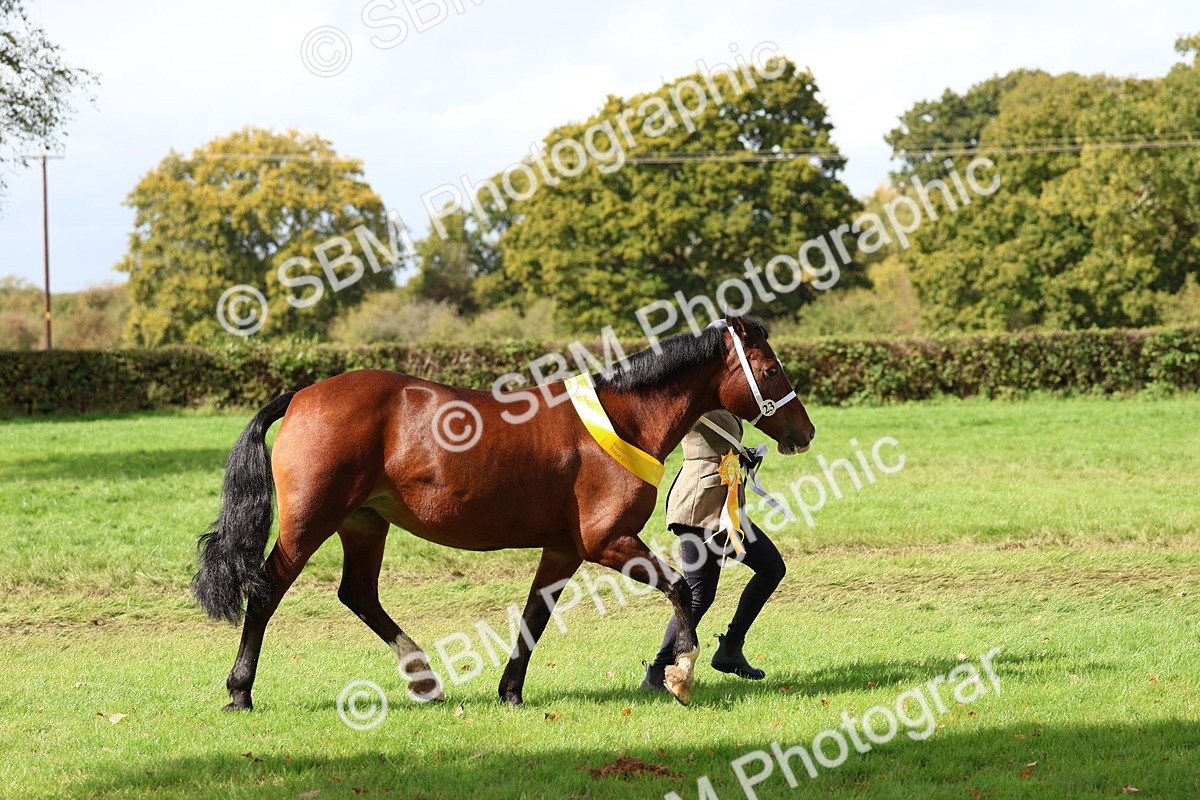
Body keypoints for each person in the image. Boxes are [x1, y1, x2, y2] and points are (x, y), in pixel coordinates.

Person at [642, 409, 787, 691]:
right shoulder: (695, 399)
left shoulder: (722, 404)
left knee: (769, 569)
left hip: (723, 511)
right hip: (699, 506)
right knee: (698, 595)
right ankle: (658, 671)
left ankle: (730, 649)